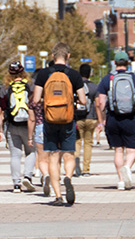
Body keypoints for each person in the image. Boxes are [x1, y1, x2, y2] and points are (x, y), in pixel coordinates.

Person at [31, 43, 89, 206]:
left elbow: (35, 100)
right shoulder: (74, 75)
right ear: (68, 56)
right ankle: (68, 178)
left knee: (53, 156)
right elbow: (83, 100)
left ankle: (58, 196)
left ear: (52, 56)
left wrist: (47, 101)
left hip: (49, 119)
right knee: (69, 154)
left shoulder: (43, 74)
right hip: (68, 118)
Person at [96, 55, 135, 192]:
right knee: (131, 149)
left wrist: (102, 118)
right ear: (128, 62)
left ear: (115, 62)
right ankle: (128, 167)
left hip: (113, 117)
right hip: (130, 118)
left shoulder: (107, 79)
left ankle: (121, 181)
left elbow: (101, 102)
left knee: (118, 150)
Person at [1, 62, 37, 192]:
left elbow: (2, 107)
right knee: (31, 151)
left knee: (15, 155)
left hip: (12, 124)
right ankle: (27, 175)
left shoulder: (5, 88)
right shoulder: (30, 86)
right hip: (28, 124)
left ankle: (16, 184)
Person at [73, 62, 98, 178]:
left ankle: (75, 165)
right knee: (88, 144)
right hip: (91, 117)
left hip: (78, 118)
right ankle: (86, 169)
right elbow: (98, 103)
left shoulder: (75, 85)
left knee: (77, 142)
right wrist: (101, 119)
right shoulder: (94, 86)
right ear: (90, 73)